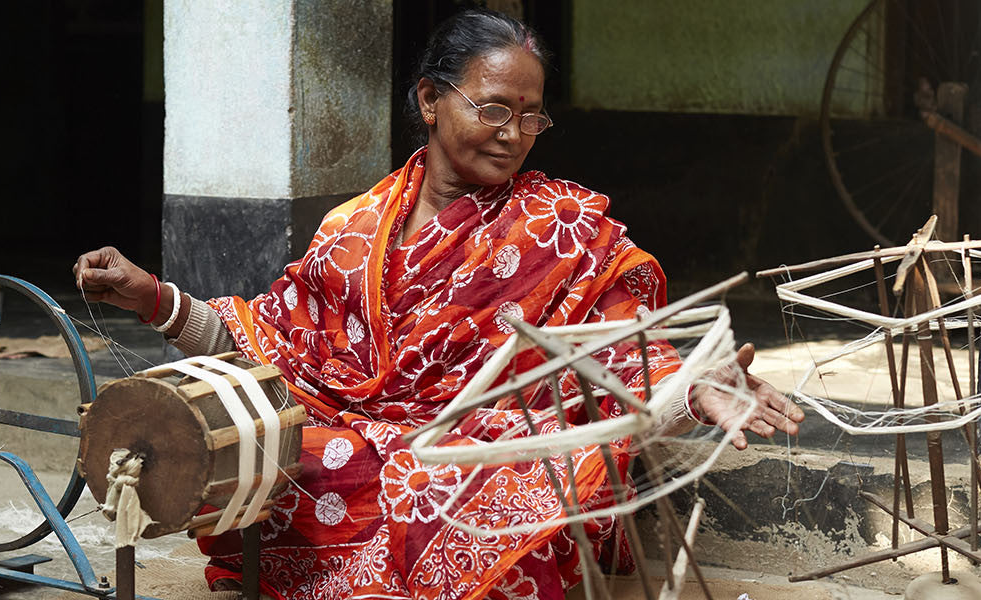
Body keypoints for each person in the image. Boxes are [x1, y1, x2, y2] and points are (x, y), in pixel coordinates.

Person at [75, 9, 804, 599]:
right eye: (493, 109)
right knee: (292, 463)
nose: (514, 134)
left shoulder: (560, 225)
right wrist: (155, 299)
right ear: (430, 100)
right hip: (356, 444)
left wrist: (690, 388)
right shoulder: (354, 227)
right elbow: (269, 340)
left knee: (457, 482)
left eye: (532, 116)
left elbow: (620, 342)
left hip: (482, 447)